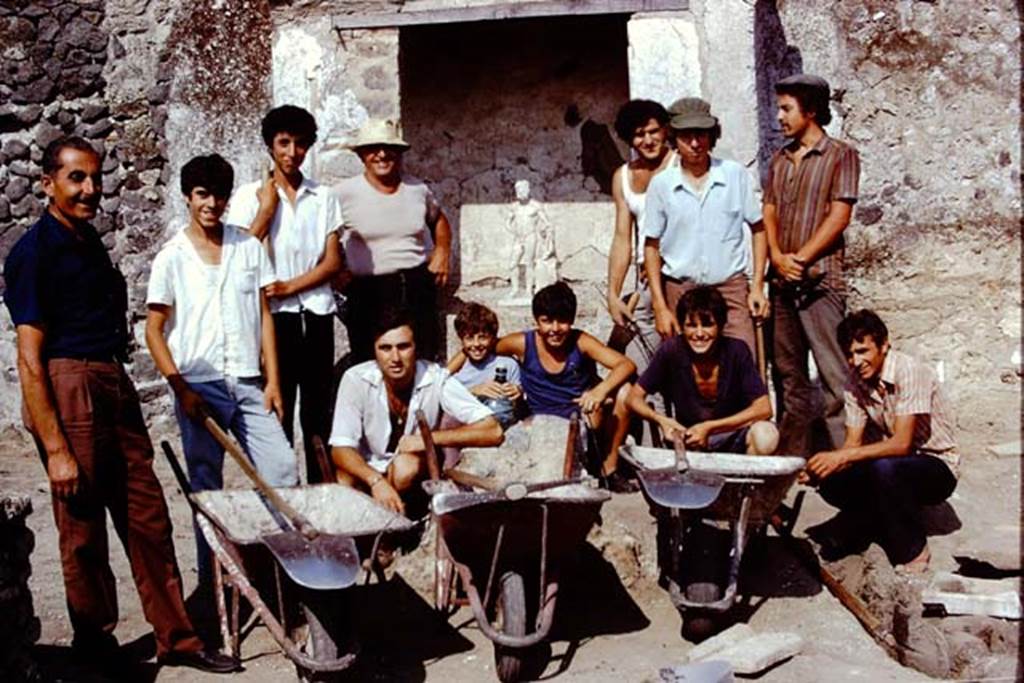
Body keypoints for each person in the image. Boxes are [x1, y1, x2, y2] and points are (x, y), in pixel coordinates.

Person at [3, 137, 237, 674]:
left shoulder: (87, 242)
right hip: (69, 384)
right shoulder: (33, 252)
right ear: (48, 184)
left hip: (112, 381)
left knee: (148, 515)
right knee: (83, 529)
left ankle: (177, 638)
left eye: (94, 177)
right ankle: (95, 650)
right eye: (76, 179)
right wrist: (56, 449)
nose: (90, 189)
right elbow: (30, 360)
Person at [145, 154, 299, 594]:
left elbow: (263, 315)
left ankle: (276, 574)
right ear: (187, 197)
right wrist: (180, 387)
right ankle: (214, 586)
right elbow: (154, 330)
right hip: (198, 385)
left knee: (282, 470)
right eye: (201, 195)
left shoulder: (247, 247)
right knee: (207, 489)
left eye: (218, 195)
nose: (211, 203)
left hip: (249, 381)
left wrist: (273, 381)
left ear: (229, 198)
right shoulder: (171, 258)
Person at [225, 105, 343, 484]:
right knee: (277, 407)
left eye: (301, 145)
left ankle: (322, 496)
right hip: (275, 318)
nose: (292, 153)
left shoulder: (322, 196)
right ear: (270, 147)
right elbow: (238, 254)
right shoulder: (250, 196)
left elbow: (332, 263)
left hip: (317, 312)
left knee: (317, 412)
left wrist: (292, 285)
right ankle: (280, 493)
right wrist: (266, 209)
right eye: (284, 143)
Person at [804, 310, 958, 572]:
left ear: (884, 345)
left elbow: (902, 444)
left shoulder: (908, 371)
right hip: (890, 464)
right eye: (850, 354)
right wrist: (822, 467)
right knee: (831, 481)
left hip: (934, 466)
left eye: (863, 351)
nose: (856, 361)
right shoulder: (854, 382)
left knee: (884, 468)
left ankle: (914, 552)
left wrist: (841, 457)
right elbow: (852, 445)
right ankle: (867, 523)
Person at [763, 74, 860, 456]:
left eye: (787, 108)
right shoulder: (780, 159)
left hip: (820, 282)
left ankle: (845, 459)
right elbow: (768, 210)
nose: (780, 117)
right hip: (782, 283)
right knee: (789, 378)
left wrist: (801, 259)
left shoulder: (841, 155)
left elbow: (840, 215)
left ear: (812, 111)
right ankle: (793, 460)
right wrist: (775, 257)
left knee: (835, 376)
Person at [329, 307, 503, 514]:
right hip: (369, 472)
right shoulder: (356, 379)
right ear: (374, 351)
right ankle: (363, 535)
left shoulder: (434, 377)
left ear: (416, 348)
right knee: (344, 477)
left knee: (406, 466)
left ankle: (398, 530)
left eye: (403, 347)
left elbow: (493, 430)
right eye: (385, 348)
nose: (395, 358)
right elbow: (340, 448)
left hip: (412, 478)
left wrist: (426, 439)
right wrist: (376, 481)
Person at [472, 282, 636, 492]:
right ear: (537, 321)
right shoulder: (522, 343)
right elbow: (480, 347)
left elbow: (626, 365)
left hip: (578, 420)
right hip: (537, 422)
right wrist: (466, 382)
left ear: (572, 321)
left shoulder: (580, 341)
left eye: (563, 321)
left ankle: (609, 469)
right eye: (547, 321)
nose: (555, 329)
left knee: (625, 392)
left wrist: (599, 391)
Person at [643, 97, 768, 358]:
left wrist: (756, 286)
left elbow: (759, 228)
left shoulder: (734, 175)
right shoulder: (661, 185)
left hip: (730, 289)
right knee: (684, 372)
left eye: (701, 135)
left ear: (712, 136)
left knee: (742, 361)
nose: (695, 144)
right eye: (686, 136)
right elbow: (651, 247)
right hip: (680, 290)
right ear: (673, 138)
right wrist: (660, 305)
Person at [335, 118, 452, 363]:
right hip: (367, 291)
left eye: (389, 148)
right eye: (373, 149)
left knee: (422, 361)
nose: (381, 155)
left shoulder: (417, 189)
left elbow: (439, 221)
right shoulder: (343, 193)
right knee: (369, 363)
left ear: (399, 153)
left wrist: (442, 251)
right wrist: (335, 270)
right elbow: (323, 236)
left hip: (416, 285)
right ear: (361, 156)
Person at [626, 286, 778, 454]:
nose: (699, 334)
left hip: (731, 435)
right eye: (691, 325)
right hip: (690, 440)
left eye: (707, 325)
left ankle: (745, 479)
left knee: (766, 435)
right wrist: (662, 420)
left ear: (720, 327)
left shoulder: (736, 351)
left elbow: (764, 408)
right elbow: (633, 398)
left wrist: (710, 428)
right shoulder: (672, 350)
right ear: (682, 327)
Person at [606, 99, 674, 369]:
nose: (648, 140)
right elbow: (623, 238)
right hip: (645, 283)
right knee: (639, 364)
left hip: (680, 275)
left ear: (665, 131)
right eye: (639, 134)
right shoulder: (623, 176)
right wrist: (613, 293)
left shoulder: (679, 165)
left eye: (653, 131)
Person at [448, 302, 523, 428]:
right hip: (468, 427)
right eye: (469, 338)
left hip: (503, 424)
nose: (476, 344)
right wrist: (474, 391)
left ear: (493, 338)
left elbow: (519, 409)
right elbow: (445, 404)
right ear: (461, 340)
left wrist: (518, 393)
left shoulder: (507, 364)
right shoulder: (458, 370)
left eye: (482, 337)